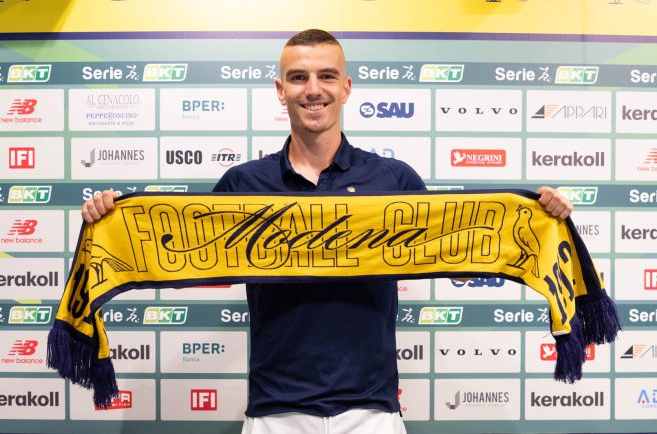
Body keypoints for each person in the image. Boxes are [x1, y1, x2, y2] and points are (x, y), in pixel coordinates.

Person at [82, 29, 573, 434]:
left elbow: (463, 253)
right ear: (281, 90)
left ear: (346, 87)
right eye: (298, 78)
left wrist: (543, 216)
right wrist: (110, 222)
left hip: (372, 412)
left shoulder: (394, 180)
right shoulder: (243, 185)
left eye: (326, 76)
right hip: (275, 412)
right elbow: (177, 251)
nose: (312, 89)